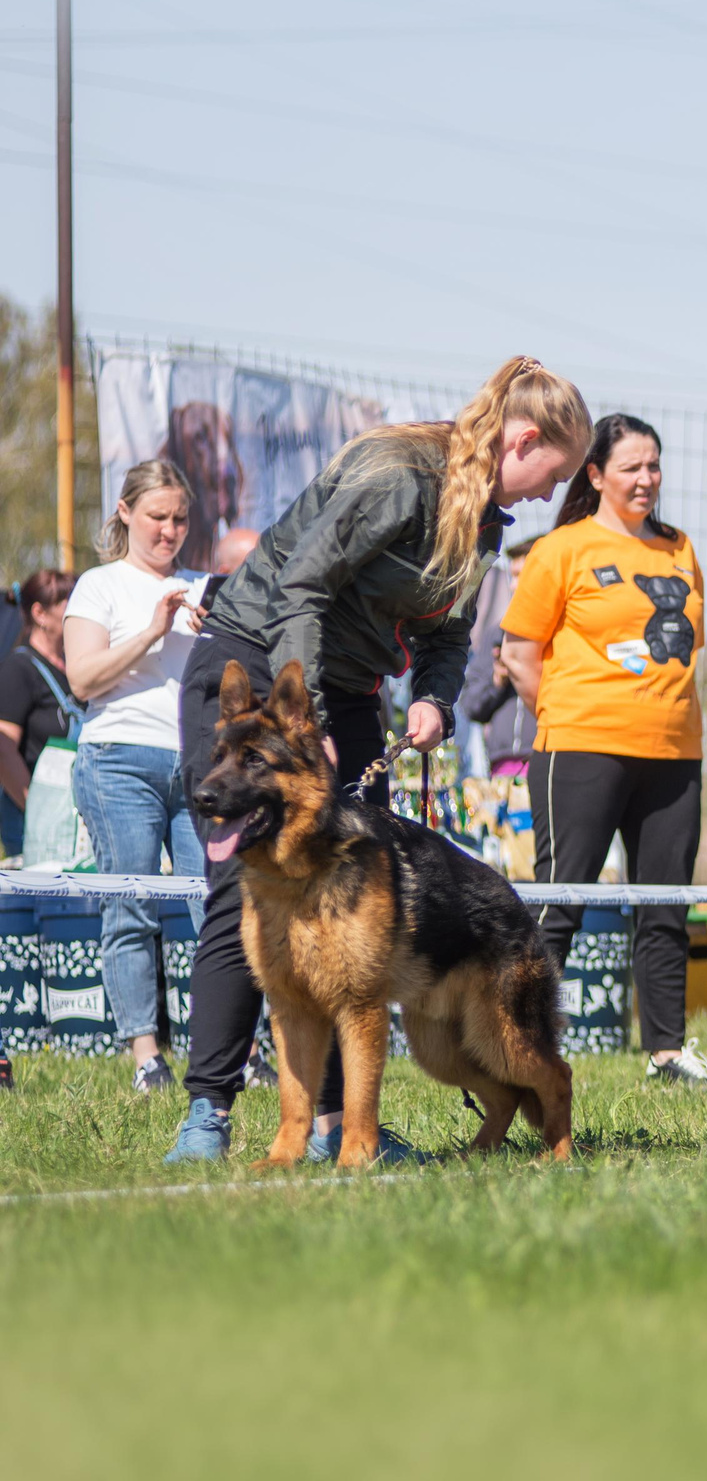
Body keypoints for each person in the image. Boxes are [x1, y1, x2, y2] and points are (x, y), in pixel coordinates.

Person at [165, 357, 590, 1164]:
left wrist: (432, 696)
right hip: (260, 663)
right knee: (245, 888)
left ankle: (336, 1130)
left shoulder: (485, 523)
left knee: (359, 909)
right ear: (523, 438)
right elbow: (303, 584)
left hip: (349, 688)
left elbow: (448, 633)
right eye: (553, 472)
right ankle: (207, 1117)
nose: (546, 493)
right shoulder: (400, 473)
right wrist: (306, 721)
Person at [497, 415, 707, 1085]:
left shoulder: (680, 548)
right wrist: (568, 716)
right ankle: (517, 1047)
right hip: (580, 749)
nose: (646, 479)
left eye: (654, 465)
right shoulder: (563, 548)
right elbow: (518, 653)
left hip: (675, 752)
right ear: (595, 474)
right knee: (560, 901)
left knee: (665, 903)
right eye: (630, 468)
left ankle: (668, 1054)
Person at [64, 462, 212, 1095]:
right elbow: (83, 680)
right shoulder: (99, 585)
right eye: (157, 517)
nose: (170, 530)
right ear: (125, 512)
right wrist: (154, 630)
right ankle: (147, 1057)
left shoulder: (203, 586)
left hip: (201, 766)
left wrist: (220, 639)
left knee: (220, 907)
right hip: (117, 759)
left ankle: (230, 1049)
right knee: (131, 906)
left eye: (180, 518)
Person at [0, 570, 79, 861]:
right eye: (70, 603)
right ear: (40, 613)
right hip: (33, 824)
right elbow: (3, 750)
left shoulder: (74, 668)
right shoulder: (18, 669)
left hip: (73, 822)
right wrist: (37, 812)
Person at [463, 541, 539, 776]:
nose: (514, 585)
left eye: (522, 576)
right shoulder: (496, 634)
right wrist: (498, 680)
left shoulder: (563, 633)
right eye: (512, 576)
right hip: (502, 765)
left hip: (546, 757)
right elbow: (472, 706)